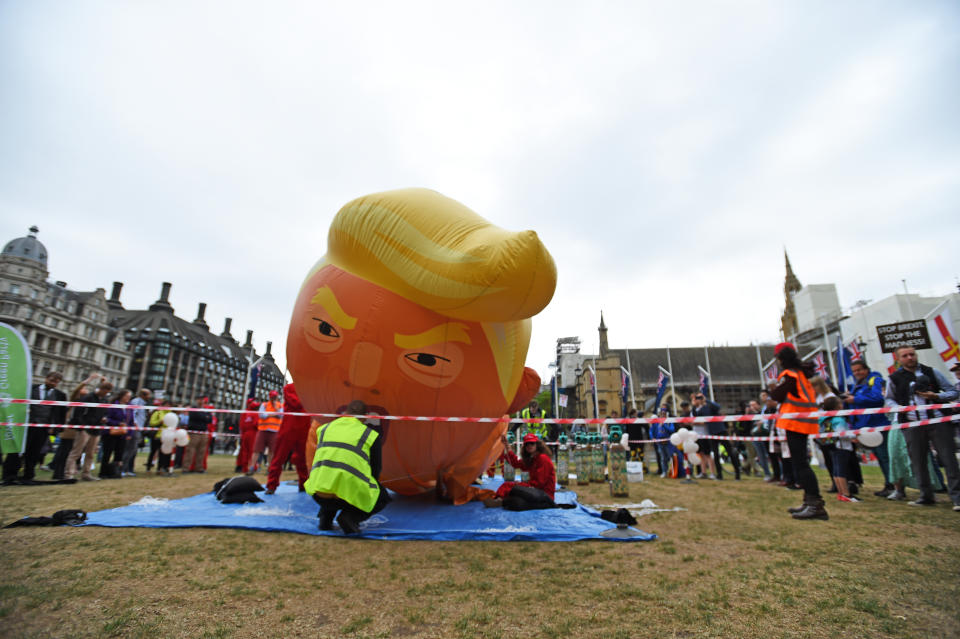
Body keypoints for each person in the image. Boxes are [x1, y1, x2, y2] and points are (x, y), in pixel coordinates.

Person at [884, 346, 960, 510]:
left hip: (937, 421)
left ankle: (957, 498)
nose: (910, 358)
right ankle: (926, 495)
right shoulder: (894, 378)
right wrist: (900, 409)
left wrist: (937, 396)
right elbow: (889, 400)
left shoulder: (931, 372)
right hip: (912, 423)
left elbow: (953, 392)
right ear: (898, 359)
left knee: (949, 460)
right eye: (905, 355)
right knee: (918, 461)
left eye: (912, 354)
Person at [304, 400, 390, 534]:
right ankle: (350, 517)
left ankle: (325, 518)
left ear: (346, 413)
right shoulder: (369, 435)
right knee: (382, 497)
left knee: (331, 478)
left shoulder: (324, 429)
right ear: (366, 416)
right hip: (346, 497)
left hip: (318, 493)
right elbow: (375, 469)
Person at [769, 342, 827, 520]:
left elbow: (776, 395)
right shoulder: (801, 373)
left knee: (801, 464)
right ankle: (809, 501)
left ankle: (815, 504)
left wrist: (773, 387)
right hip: (801, 422)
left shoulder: (791, 375)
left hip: (797, 423)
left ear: (780, 359)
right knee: (800, 463)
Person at [3, 371, 67, 484]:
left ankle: (28, 475)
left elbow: (60, 413)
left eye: (56, 382)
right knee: (18, 450)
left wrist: (56, 427)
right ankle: (10, 475)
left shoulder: (60, 395)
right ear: (46, 378)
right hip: (25, 426)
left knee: (34, 452)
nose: (53, 383)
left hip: (43, 427)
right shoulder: (30, 389)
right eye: (51, 380)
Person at [842, 360, 893, 496]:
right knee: (880, 457)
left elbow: (878, 398)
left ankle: (892, 485)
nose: (857, 373)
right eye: (854, 371)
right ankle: (889, 484)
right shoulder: (857, 385)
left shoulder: (875, 380)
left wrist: (855, 399)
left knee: (884, 456)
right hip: (865, 426)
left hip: (877, 424)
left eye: (859, 370)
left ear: (866, 369)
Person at [265, 383, 312, 494]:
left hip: (304, 427)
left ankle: (304, 483)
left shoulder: (310, 388)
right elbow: (296, 403)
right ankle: (272, 485)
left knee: (303, 458)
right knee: (279, 456)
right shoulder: (289, 388)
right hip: (289, 426)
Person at [64, 379, 113, 481]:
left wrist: (104, 418)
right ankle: (69, 474)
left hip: (96, 429)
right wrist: (82, 426)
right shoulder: (88, 397)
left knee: (90, 453)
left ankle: (86, 473)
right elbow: (78, 412)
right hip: (85, 428)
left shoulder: (105, 400)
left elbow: (105, 412)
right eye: (106, 392)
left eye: (108, 392)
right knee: (76, 452)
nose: (106, 394)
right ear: (101, 389)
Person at [818, 396, 859, 502]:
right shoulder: (839, 419)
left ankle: (841, 492)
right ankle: (846, 494)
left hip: (831, 446)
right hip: (842, 446)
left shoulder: (824, 418)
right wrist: (854, 437)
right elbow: (842, 433)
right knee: (841, 471)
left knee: (836, 471)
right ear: (838, 406)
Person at [101, 389, 134, 479]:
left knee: (119, 453)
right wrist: (117, 423)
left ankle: (115, 472)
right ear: (121, 396)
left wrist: (129, 433)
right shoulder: (113, 405)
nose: (128, 398)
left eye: (129, 397)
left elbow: (131, 421)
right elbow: (107, 419)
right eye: (127, 396)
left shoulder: (129, 407)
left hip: (123, 434)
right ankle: (103, 472)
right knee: (107, 453)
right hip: (110, 433)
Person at [247, 390, 282, 475]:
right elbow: (262, 415)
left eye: (275, 397)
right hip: (263, 430)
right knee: (256, 450)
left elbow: (281, 415)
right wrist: (274, 414)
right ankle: (251, 468)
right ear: (269, 397)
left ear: (277, 397)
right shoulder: (264, 405)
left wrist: (275, 410)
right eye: (272, 397)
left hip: (274, 431)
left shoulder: (280, 405)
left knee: (272, 451)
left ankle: (270, 469)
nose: (273, 398)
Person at [122, 388, 151, 477]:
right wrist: (135, 424)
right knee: (130, 449)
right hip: (134, 428)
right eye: (148, 394)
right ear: (143, 395)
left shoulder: (143, 403)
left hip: (140, 428)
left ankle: (129, 469)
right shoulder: (136, 401)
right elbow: (132, 413)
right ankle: (123, 469)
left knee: (134, 450)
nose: (149, 397)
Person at [182, 401, 212, 474]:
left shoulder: (206, 410)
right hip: (194, 433)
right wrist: (204, 417)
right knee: (190, 451)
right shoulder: (193, 409)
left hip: (203, 432)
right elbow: (199, 417)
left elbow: (209, 419)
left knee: (201, 452)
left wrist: (204, 417)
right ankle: (186, 468)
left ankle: (199, 468)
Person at [235, 399, 260, 473]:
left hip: (245, 434)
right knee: (252, 451)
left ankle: (243, 467)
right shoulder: (255, 414)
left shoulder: (245, 413)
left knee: (244, 451)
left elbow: (241, 425)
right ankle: (252, 467)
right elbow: (257, 424)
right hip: (253, 434)